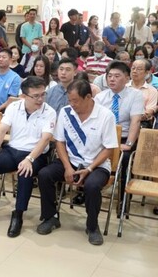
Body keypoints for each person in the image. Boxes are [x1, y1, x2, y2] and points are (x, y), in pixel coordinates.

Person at [0, 76, 56, 238]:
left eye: (43, 94)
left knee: (25, 172)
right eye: (35, 96)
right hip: (12, 150)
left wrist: (29, 159)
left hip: (35, 155)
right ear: (24, 96)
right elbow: (1, 131)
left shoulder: (49, 112)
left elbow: (45, 140)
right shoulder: (14, 107)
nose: (40, 99)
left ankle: (18, 215)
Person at [37, 79, 118, 246]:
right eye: (69, 100)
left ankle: (92, 226)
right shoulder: (66, 112)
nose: (71, 104)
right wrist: (67, 167)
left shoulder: (105, 115)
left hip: (96, 165)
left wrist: (89, 169)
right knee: (45, 174)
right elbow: (59, 142)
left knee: (92, 186)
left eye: (76, 100)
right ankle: (50, 217)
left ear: (88, 97)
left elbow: (108, 149)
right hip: (71, 161)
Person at [94, 61, 144, 213]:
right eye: (109, 76)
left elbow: (135, 121)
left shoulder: (135, 95)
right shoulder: (100, 97)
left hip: (123, 138)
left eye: (117, 76)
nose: (112, 79)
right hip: (103, 139)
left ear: (127, 78)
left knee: (126, 158)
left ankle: (123, 200)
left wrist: (128, 143)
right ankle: (88, 192)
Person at [127, 59, 157, 128]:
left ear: (147, 72)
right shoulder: (123, 87)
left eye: (139, 69)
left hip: (140, 124)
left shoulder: (152, 91)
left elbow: (149, 111)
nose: (134, 71)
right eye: (133, 68)